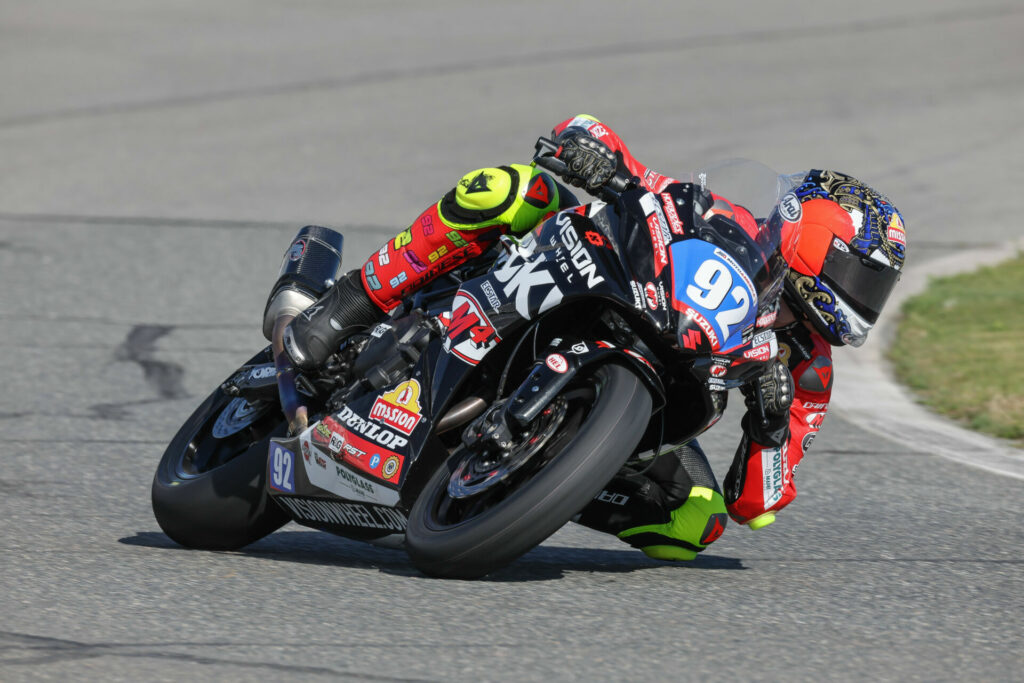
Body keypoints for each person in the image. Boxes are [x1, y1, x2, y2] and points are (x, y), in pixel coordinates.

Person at [280, 115, 907, 561]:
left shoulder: (809, 371)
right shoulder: (723, 218)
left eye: (875, 286)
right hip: (581, 294)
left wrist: (769, 427)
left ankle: (539, 483)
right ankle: (347, 305)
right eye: (860, 274)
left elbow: (759, 504)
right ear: (810, 234)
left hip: (656, 389)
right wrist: (595, 153)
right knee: (516, 189)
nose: (863, 298)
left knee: (698, 522)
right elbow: (629, 164)